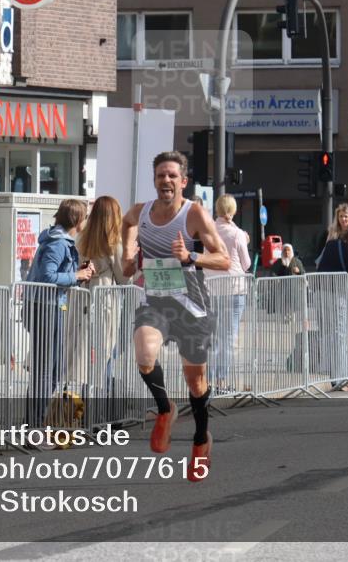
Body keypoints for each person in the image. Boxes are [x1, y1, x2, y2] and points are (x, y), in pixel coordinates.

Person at [121, 151, 230, 482]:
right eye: (160, 176)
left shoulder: (193, 213)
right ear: (154, 180)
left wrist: (190, 256)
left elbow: (224, 260)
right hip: (156, 303)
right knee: (144, 354)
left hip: (192, 308)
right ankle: (166, 408)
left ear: (183, 181)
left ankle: (200, 441)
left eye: (172, 176)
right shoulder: (141, 213)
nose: (165, 181)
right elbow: (127, 224)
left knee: (195, 381)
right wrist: (128, 254)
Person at [24, 199, 95, 433]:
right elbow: (48, 277)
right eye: (84, 217)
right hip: (46, 306)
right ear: (77, 220)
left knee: (52, 368)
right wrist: (77, 275)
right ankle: (35, 425)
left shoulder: (58, 240)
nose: (86, 221)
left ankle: (38, 422)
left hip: (52, 305)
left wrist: (77, 272)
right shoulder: (57, 243)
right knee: (46, 369)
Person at [72, 196, 131, 386]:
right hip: (105, 299)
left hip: (81, 297)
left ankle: (79, 406)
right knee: (104, 351)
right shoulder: (114, 241)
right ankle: (99, 406)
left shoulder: (81, 237)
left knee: (80, 355)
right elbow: (124, 277)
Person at [206, 194, 252, 392]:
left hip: (212, 288)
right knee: (228, 336)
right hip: (234, 288)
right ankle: (221, 380)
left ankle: (206, 380)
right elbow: (246, 263)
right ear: (233, 211)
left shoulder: (207, 230)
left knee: (213, 336)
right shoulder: (237, 234)